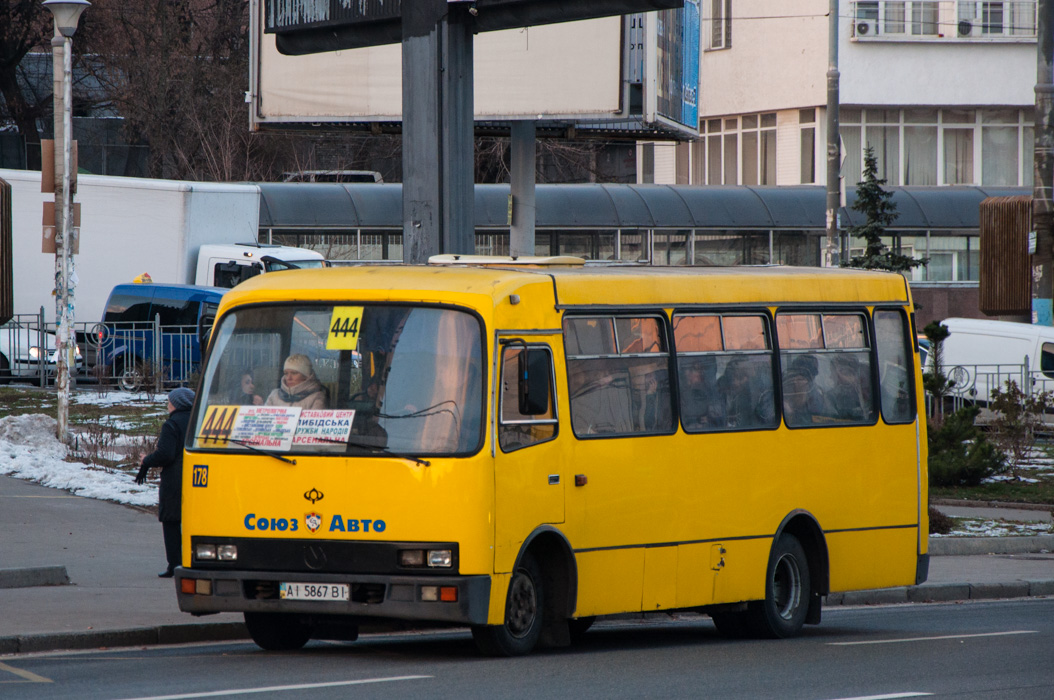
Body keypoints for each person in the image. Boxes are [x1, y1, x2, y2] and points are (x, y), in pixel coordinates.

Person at [135, 387, 195, 578]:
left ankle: (175, 564)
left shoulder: (172, 424)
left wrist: (147, 460)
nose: (168, 404)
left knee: (171, 521)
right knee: (193, 520)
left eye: (169, 401)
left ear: (176, 404)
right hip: (197, 477)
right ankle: (195, 560)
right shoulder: (198, 422)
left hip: (175, 480)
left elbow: (166, 454)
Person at [679, 358, 725, 430]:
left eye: (693, 370)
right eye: (686, 369)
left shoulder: (711, 393)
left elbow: (719, 417)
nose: (687, 373)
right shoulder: (679, 391)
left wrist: (708, 419)